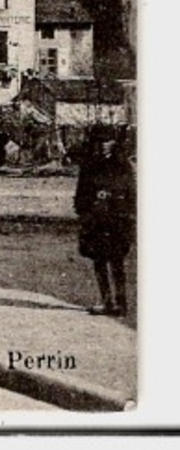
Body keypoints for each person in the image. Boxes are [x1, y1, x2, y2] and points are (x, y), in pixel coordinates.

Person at [75, 124, 135, 317]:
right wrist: (84, 213)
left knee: (117, 261)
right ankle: (106, 300)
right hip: (96, 220)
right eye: (98, 141)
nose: (102, 145)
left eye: (106, 141)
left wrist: (126, 214)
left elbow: (131, 194)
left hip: (117, 219)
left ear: (113, 142)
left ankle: (120, 302)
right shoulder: (89, 166)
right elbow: (81, 193)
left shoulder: (122, 165)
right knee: (99, 260)